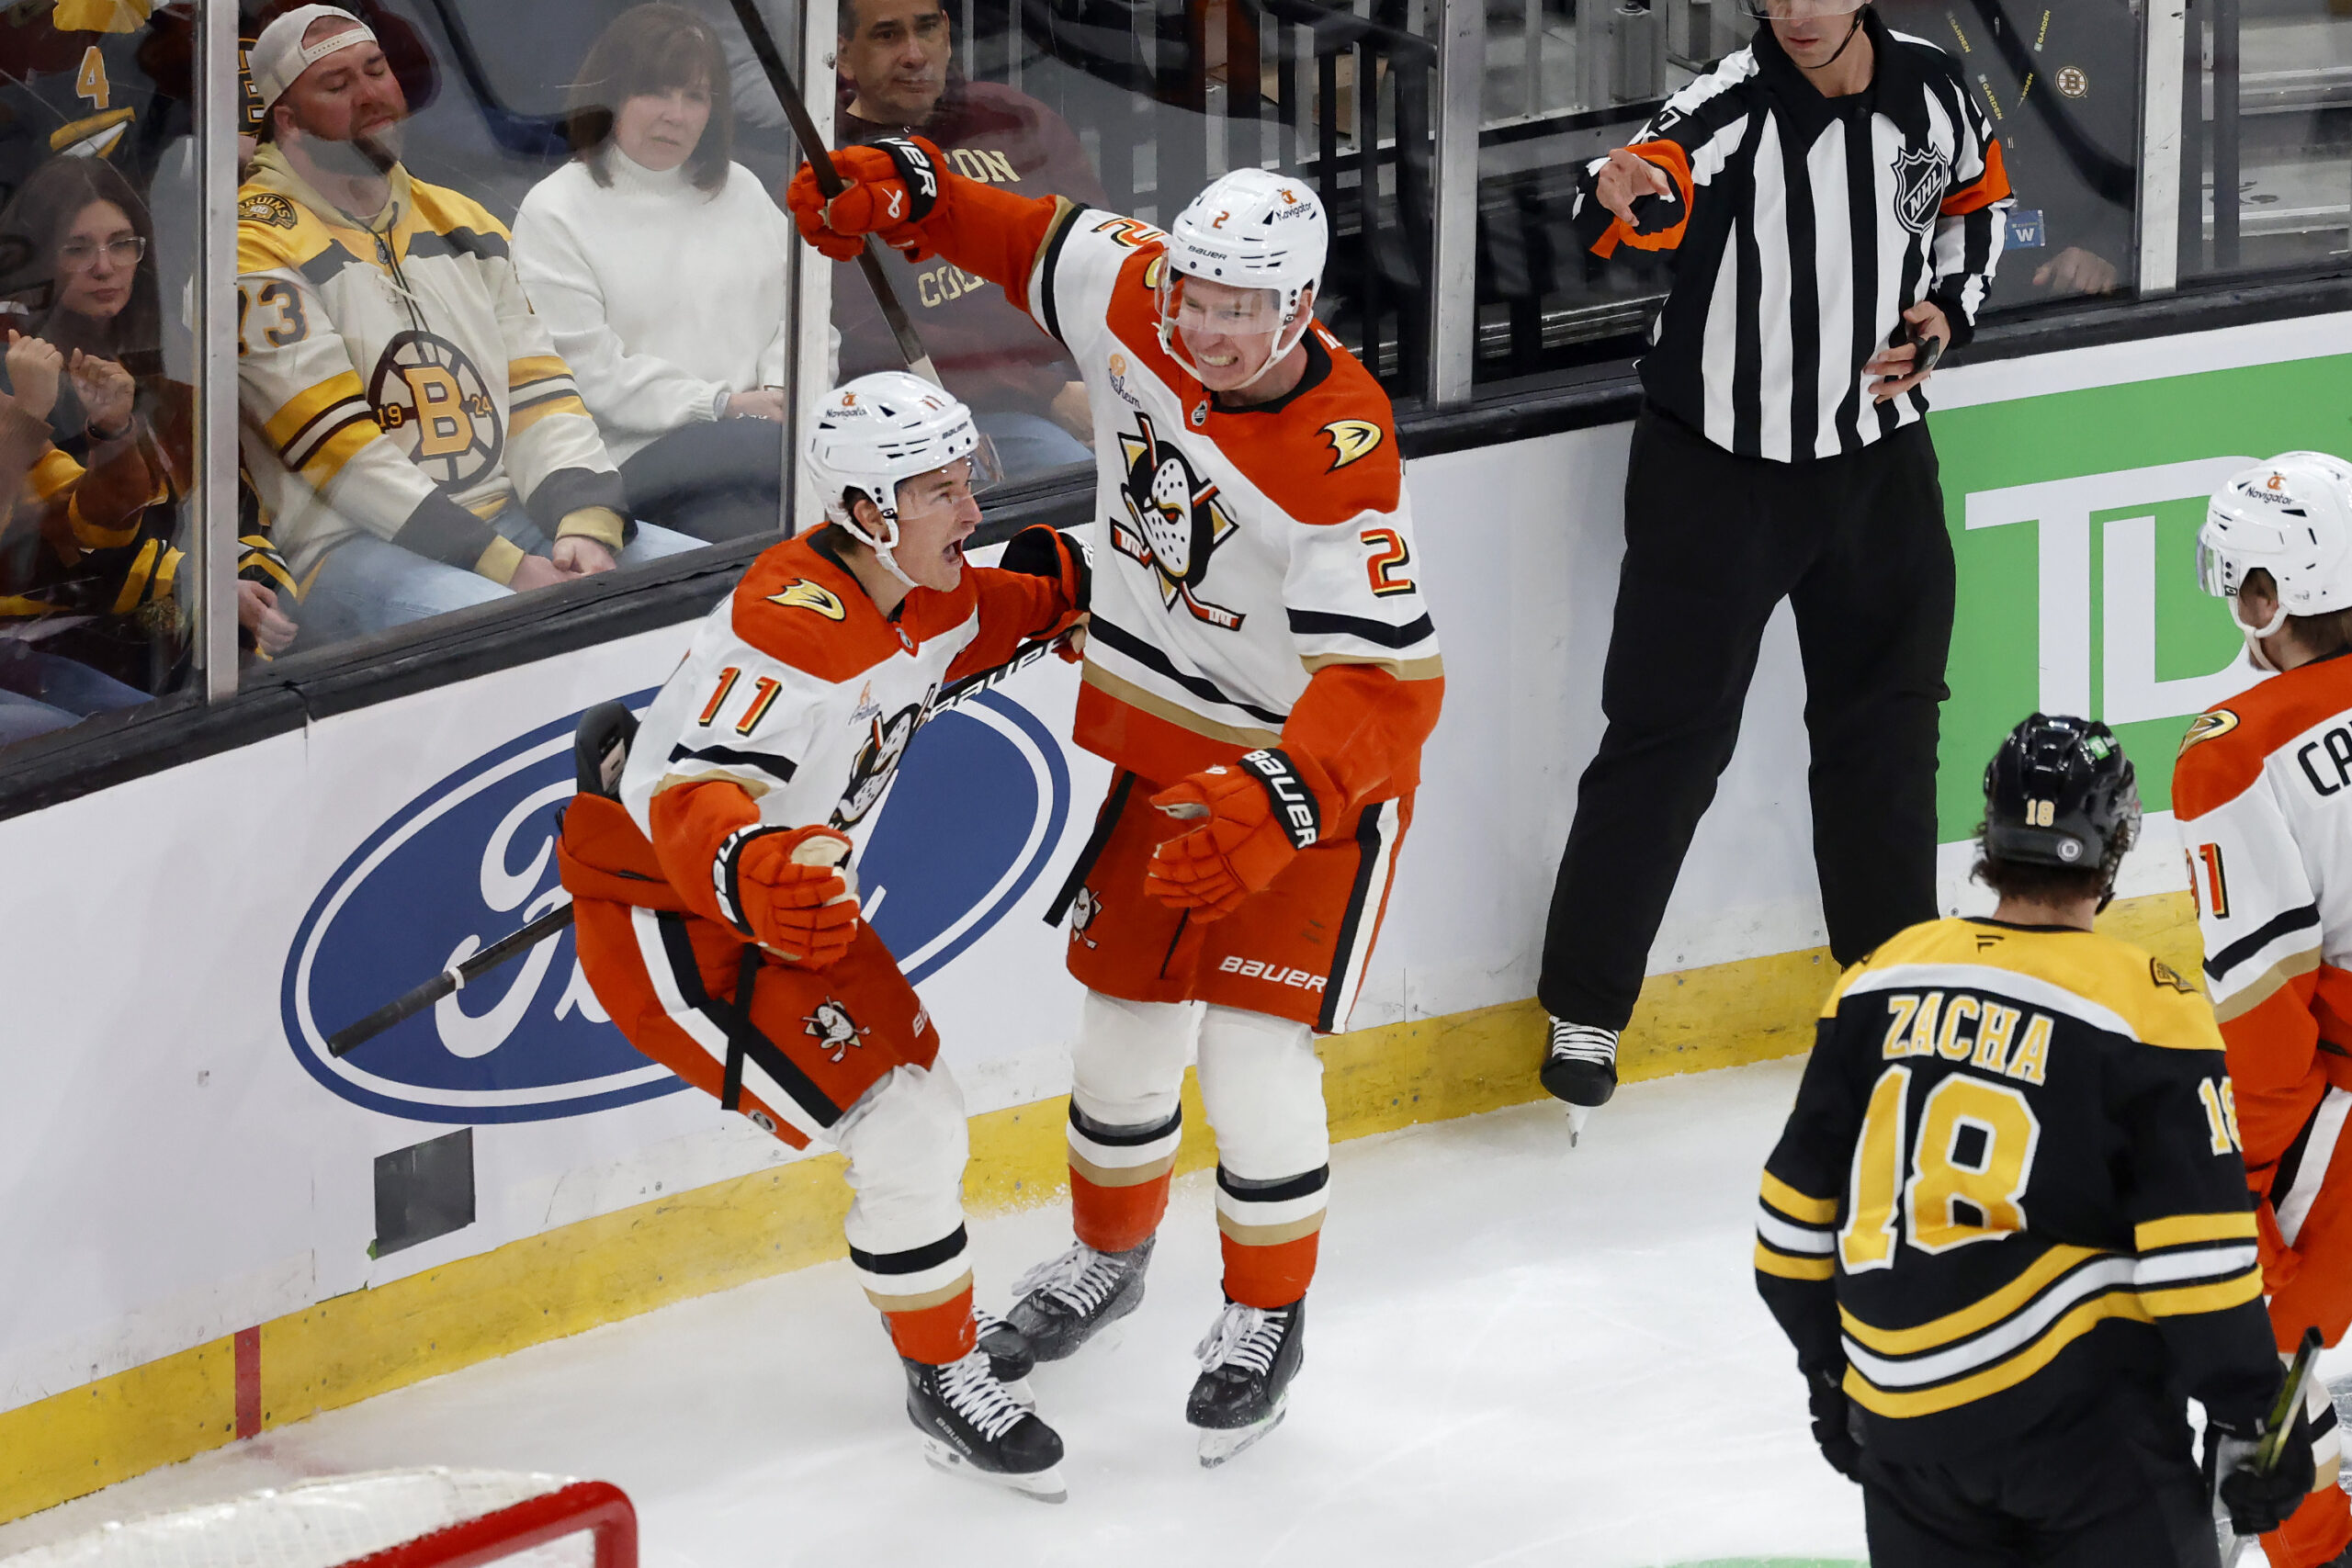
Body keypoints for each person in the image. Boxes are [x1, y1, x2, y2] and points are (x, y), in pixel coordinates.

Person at [787, 143, 1443, 1463]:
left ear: (1301, 308)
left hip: (1299, 778)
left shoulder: (1334, 456)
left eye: (1241, 309)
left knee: (1251, 1060)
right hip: (1165, 748)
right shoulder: (1140, 294)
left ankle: (1267, 1313)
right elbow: (1027, 231)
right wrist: (906, 193)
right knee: (1121, 1034)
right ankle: (1108, 1254)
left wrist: (1278, 802)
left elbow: (1388, 685)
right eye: (1198, 293)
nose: (1206, 324)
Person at [557, 371, 1088, 1497]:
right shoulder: (777, 632)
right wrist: (748, 870)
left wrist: (1085, 587)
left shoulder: (919, 588)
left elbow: (999, 613)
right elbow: (689, 787)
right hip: (678, 923)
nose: (968, 512)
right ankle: (942, 1376)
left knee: (926, 1102)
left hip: (794, 901)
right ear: (862, 512)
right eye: (939, 492)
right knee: (905, 1129)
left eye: (966, 482)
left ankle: (931, 1324)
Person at [1534, 0, 2011, 1137]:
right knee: (1665, 737)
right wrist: (1622, 188)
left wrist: (1943, 315)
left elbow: (1976, 220)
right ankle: (1586, 1009)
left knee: (1886, 734)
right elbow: (1642, 182)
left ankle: (1892, 989)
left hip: (1877, 468)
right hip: (1715, 474)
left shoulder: (1938, 89)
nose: (1792, 10)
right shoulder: (1727, 106)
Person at [1758, 712, 2316, 1564]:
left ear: (1990, 834)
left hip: (1908, 1433)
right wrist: (2248, 1410)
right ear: (2119, 844)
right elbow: (2193, 1257)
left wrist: (1831, 1369)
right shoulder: (2147, 1005)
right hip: (2082, 1430)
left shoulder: (1881, 976)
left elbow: (1790, 1225)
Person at [234, 6, 695, 651]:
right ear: (287, 122)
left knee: (716, 593)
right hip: (347, 550)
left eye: (376, 71)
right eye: (336, 86)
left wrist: (582, 520)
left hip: (509, 519)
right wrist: (508, 566)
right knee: (521, 645)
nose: (372, 96)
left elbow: (541, 391)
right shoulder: (250, 248)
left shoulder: (461, 220)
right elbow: (340, 452)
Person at [2173, 453, 2352, 1568]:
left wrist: (2247, 1193)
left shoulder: (2229, 750)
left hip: (2334, 1113)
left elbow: (2266, 1007)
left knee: (2259, 1358)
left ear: (2265, 597)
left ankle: (2317, 1546)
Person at [511, 4, 797, 544]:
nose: (676, 114)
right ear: (609, 95)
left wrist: (784, 393)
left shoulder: (741, 188)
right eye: (656, 92)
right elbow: (587, 373)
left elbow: (804, 314)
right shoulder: (554, 211)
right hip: (646, 461)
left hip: (766, 444)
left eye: (695, 96)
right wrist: (724, 406)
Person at [820, 0, 1107, 479]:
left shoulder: (1011, 118)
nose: (915, 54)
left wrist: (1104, 377)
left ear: (948, 35)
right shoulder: (836, 172)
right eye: (887, 36)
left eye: (927, 29)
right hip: (962, 411)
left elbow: (1097, 252)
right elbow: (876, 337)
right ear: (845, 56)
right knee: (1083, 478)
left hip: (1084, 374)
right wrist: (1049, 395)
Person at [1875, 0, 2137, 301]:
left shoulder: (2105, 29)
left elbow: (2160, 172)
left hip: (2077, 300)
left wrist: (2105, 248)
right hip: (1942, 297)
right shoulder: (1902, 32)